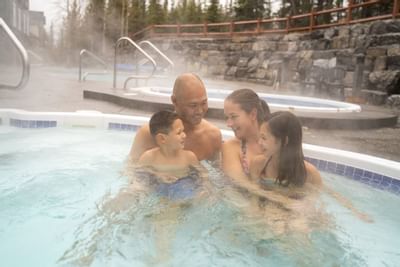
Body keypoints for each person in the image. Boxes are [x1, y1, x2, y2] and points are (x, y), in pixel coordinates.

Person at [250, 111, 372, 223]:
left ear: (284, 141)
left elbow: (322, 195)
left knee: (301, 225)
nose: (259, 142)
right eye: (260, 137)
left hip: (295, 210)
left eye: (264, 138)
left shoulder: (309, 173)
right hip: (269, 208)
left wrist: (356, 212)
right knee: (274, 220)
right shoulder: (258, 164)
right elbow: (254, 197)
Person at [129, 73, 222, 162]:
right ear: (174, 101)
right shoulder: (148, 133)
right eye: (193, 105)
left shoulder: (212, 136)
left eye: (204, 103)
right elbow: (131, 170)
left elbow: (217, 173)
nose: (200, 111)